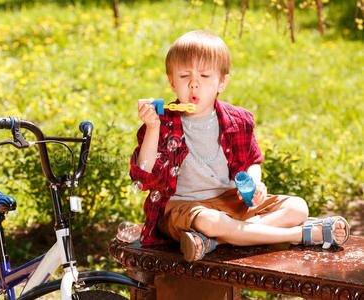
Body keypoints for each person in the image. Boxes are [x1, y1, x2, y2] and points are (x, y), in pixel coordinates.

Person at [129, 30, 350, 262]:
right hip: (184, 209)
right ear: (172, 81)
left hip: (230, 202)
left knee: (298, 207)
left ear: (222, 82)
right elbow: (144, 176)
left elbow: (251, 160)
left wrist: (255, 181)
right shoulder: (161, 124)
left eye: (204, 76)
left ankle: (212, 240)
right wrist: (152, 128)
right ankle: (299, 234)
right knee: (211, 221)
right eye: (185, 76)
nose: (194, 84)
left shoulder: (237, 120)